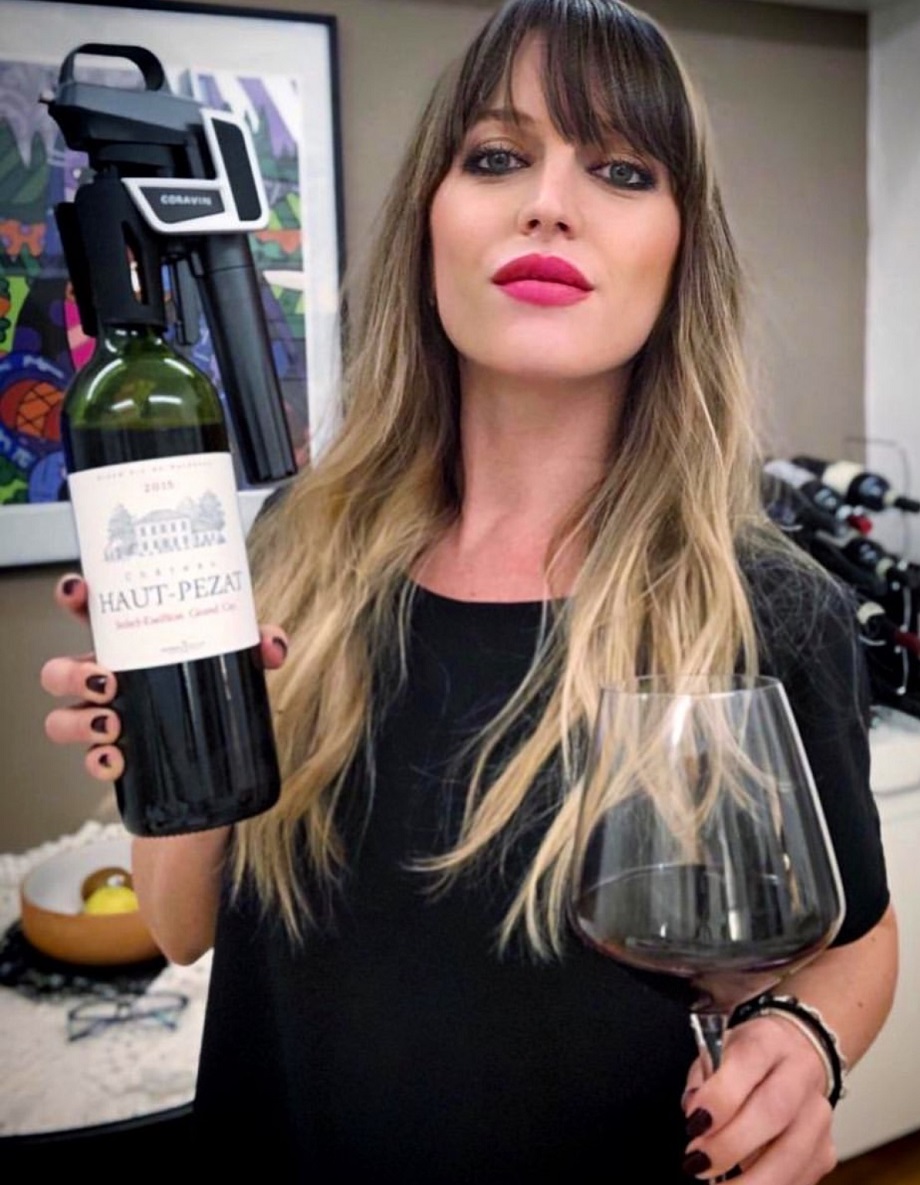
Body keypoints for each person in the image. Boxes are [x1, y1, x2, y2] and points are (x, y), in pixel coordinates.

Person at [42, 0, 896, 1180]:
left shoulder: (766, 607)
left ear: (680, 251)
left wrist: (801, 1039)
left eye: (620, 170)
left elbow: (856, 938)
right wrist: (167, 726)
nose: (548, 203)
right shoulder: (294, 550)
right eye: (496, 157)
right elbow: (179, 930)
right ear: (428, 224)